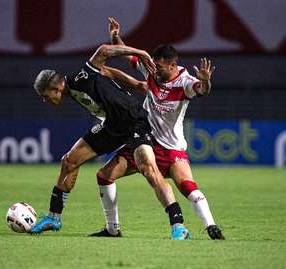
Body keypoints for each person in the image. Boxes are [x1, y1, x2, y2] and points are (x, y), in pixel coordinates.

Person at [29, 43, 192, 240]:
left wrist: (140, 51)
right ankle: (55, 217)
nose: (46, 101)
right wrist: (136, 83)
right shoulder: (73, 90)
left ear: (54, 88)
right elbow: (107, 71)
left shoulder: (81, 77)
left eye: (45, 96)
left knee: (149, 170)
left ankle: (178, 225)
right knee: (69, 161)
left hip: (133, 121)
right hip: (112, 125)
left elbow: (104, 51)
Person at [90, 18, 225, 240]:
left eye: (160, 66)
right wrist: (115, 38)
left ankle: (211, 227)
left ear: (172, 65)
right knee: (104, 175)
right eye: (154, 64)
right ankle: (112, 229)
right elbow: (129, 56)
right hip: (145, 140)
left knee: (187, 186)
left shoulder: (185, 82)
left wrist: (206, 81)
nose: (155, 70)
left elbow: (202, 90)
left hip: (172, 148)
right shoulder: (153, 69)